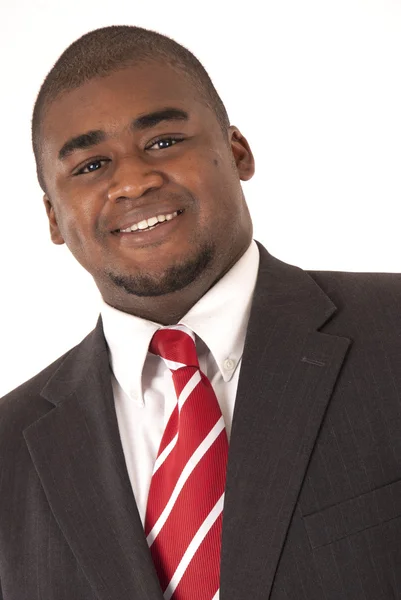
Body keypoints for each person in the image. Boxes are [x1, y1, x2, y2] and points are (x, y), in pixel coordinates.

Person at [0, 23, 400, 600]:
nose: (133, 182)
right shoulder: (11, 448)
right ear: (54, 219)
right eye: (90, 166)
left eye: (163, 142)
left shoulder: (392, 334)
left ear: (237, 151)